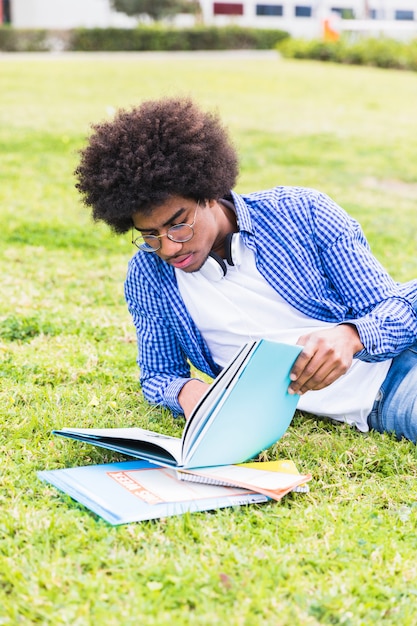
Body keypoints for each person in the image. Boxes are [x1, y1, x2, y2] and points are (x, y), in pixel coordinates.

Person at [75, 97, 417, 442]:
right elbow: (159, 374)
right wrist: (189, 393)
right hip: (378, 405)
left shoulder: (303, 213)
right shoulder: (149, 276)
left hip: (396, 372)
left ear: (207, 193)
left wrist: (350, 336)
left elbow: (398, 310)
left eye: (178, 225)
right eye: (149, 235)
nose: (168, 247)